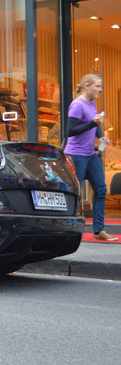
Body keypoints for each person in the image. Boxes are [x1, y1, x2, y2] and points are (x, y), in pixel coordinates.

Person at [65, 74, 117, 241]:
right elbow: (70, 131)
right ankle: (67, 230)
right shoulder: (77, 105)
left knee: (101, 189)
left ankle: (98, 231)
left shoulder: (92, 103)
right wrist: (93, 123)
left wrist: (100, 136)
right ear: (87, 86)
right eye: (97, 87)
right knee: (75, 193)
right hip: (75, 155)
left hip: (90, 154)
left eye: (100, 87)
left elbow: (95, 126)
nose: (100, 90)